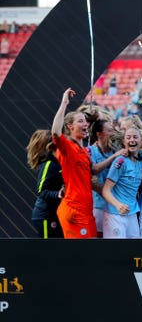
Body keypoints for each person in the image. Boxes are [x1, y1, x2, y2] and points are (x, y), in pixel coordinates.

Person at [51, 88, 96, 238]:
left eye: (86, 121)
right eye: (80, 121)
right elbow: (56, 132)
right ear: (70, 126)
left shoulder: (83, 151)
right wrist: (65, 102)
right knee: (80, 257)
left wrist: (115, 155)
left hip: (87, 210)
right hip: (74, 209)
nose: (86, 124)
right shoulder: (68, 147)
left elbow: (93, 171)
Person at [101, 127, 142, 239]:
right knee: (117, 252)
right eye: (128, 137)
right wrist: (118, 205)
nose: (132, 140)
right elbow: (105, 190)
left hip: (132, 213)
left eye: (135, 137)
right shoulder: (120, 161)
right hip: (115, 214)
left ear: (141, 141)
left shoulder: (141, 163)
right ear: (124, 141)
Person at [89, 119, 127, 237]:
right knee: (99, 237)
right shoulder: (91, 150)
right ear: (99, 134)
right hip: (98, 205)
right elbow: (94, 169)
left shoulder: (115, 150)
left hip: (114, 205)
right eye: (109, 130)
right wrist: (114, 156)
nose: (112, 133)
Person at [26, 130, 64, 238]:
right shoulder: (49, 164)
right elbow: (41, 191)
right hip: (46, 216)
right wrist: (58, 194)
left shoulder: (58, 163)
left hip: (57, 214)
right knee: (49, 251)